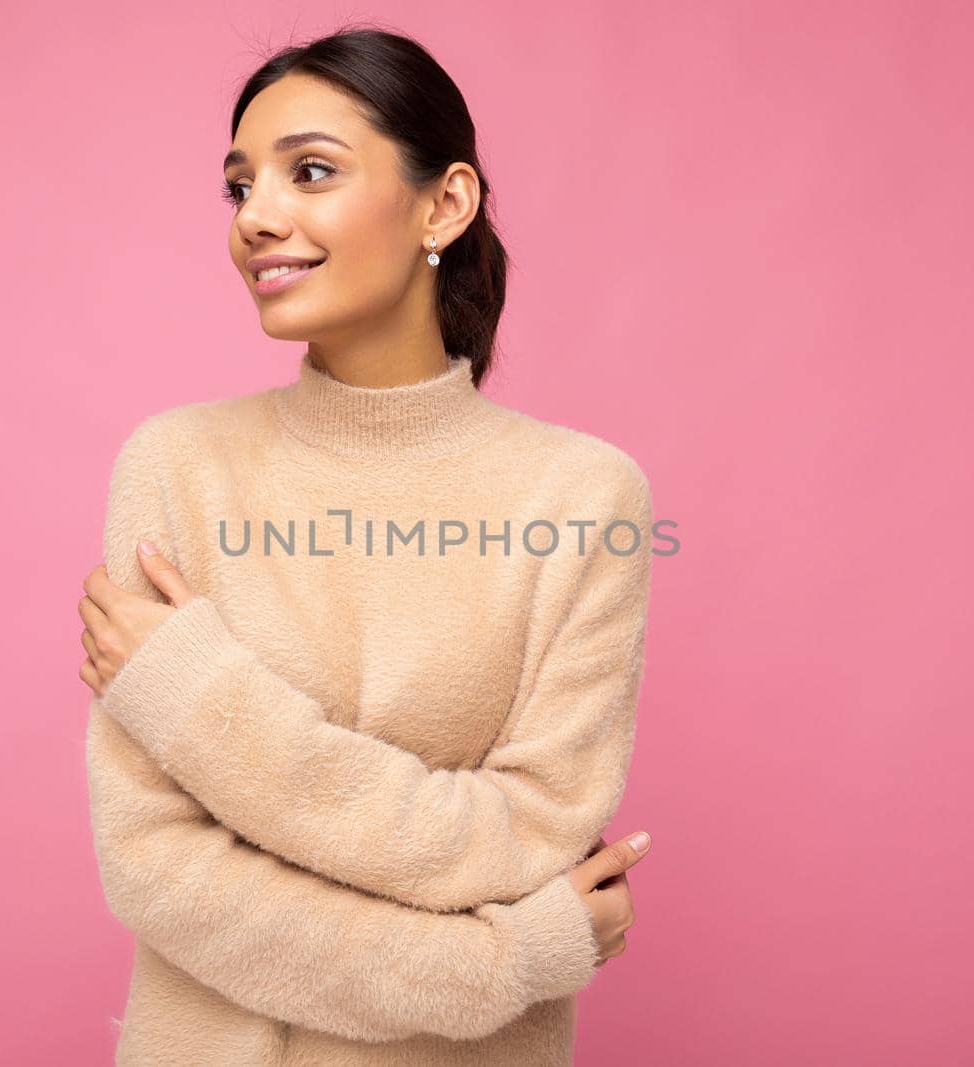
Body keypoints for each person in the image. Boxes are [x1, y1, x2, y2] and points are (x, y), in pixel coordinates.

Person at [76, 26, 659, 1066]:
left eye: (309, 172)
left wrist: (196, 701)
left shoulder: (581, 495)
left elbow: (526, 833)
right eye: (238, 185)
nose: (257, 217)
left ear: (444, 204)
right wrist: (508, 959)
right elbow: (155, 866)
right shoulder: (175, 466)